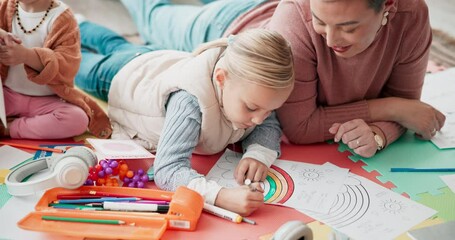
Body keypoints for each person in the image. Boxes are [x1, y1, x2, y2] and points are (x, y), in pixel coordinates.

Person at [120, 0, 446, 158]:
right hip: (232, 24)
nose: (332, 39)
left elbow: (408, 105)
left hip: (265, 10)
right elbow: (300, 127)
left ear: (387, 6)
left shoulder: (411, 17)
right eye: (320, 21)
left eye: (348, 27)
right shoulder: (294, 23)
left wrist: (378, 134)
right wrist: (392, 109)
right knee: (152, 15)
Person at [74, 20, 295, 216]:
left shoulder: (251, 92)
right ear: (221, 79)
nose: (259, 119)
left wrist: (259, 154)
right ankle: (72, 23)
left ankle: (80, 24)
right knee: (73, 61)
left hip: (156, 60)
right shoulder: (189, 102)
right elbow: (168, 170)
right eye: (251, 108)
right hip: (123, 75)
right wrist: (220, 196)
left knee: (116, 44)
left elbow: (269, 120)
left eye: (268, 109)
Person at [0, 0, 111, 139]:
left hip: (48, 100)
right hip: (7, 95)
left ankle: (9, 128)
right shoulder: (4, 6)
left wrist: (26, 56)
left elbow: (66, 66)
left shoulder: (63, 18)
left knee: (77, 120)